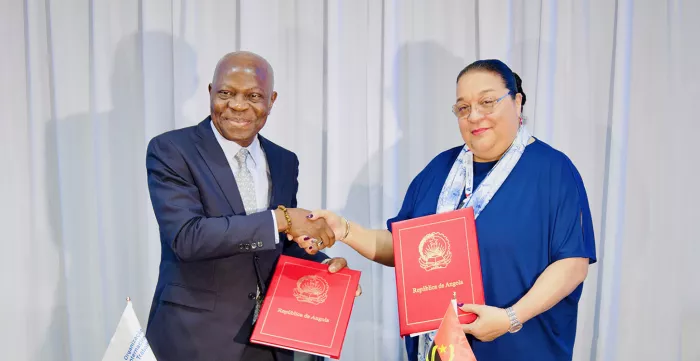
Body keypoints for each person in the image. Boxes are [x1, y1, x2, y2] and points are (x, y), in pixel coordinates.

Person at [294, 59, 596, 361]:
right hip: (439, 350)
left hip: (520, 347)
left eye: (487, 102)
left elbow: (572, 264)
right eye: (463, 108)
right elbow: (405, 249)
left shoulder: (553, 171)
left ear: (516, 103)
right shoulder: (439, 170)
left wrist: (510, 318)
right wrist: (345, 230)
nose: (475, 116)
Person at [145, 51, 358, 361]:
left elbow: (279, 245)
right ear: (210, 93)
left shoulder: (285, 161)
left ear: (271, 100)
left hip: (270, 342)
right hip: (194, 340)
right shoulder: (171, 149)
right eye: (226, 93)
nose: (238, 105)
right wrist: (282, 219)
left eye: (253, 95)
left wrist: (322, 267)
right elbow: (187, 237)